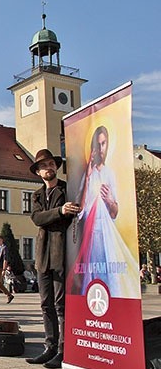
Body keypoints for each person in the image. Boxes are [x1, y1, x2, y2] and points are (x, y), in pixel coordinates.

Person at [70, 126, 138, 297]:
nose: (100, 149)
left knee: (108, 275)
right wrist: (87, 177)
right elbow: (80, 209)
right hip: (90, 234)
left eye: (103, 143)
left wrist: (109, 201)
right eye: (97, 144)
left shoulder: (110, 174)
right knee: (91, 276)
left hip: (106, 235)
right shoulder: (88, 175)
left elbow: (115, 213)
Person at [26, 148, 79, 369]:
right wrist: (59, 212)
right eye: (43, 166)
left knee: (60, 305)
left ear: (56, 167)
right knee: (45, 304)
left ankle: (63, 350)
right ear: (38, 172)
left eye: (51, 164)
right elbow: (37, 218)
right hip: (42, 255)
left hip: (61, 253)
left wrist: (62, 212)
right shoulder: (37, 195)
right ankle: (49, 347)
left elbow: (70, 216)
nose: (48, 168)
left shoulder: (67, 189)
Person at [0, 235, 14, 304]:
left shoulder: (4, 248)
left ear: (2, 240)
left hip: (0, 267)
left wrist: (4, 269)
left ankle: (7, 295)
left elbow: (5, 259)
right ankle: (9, 295)